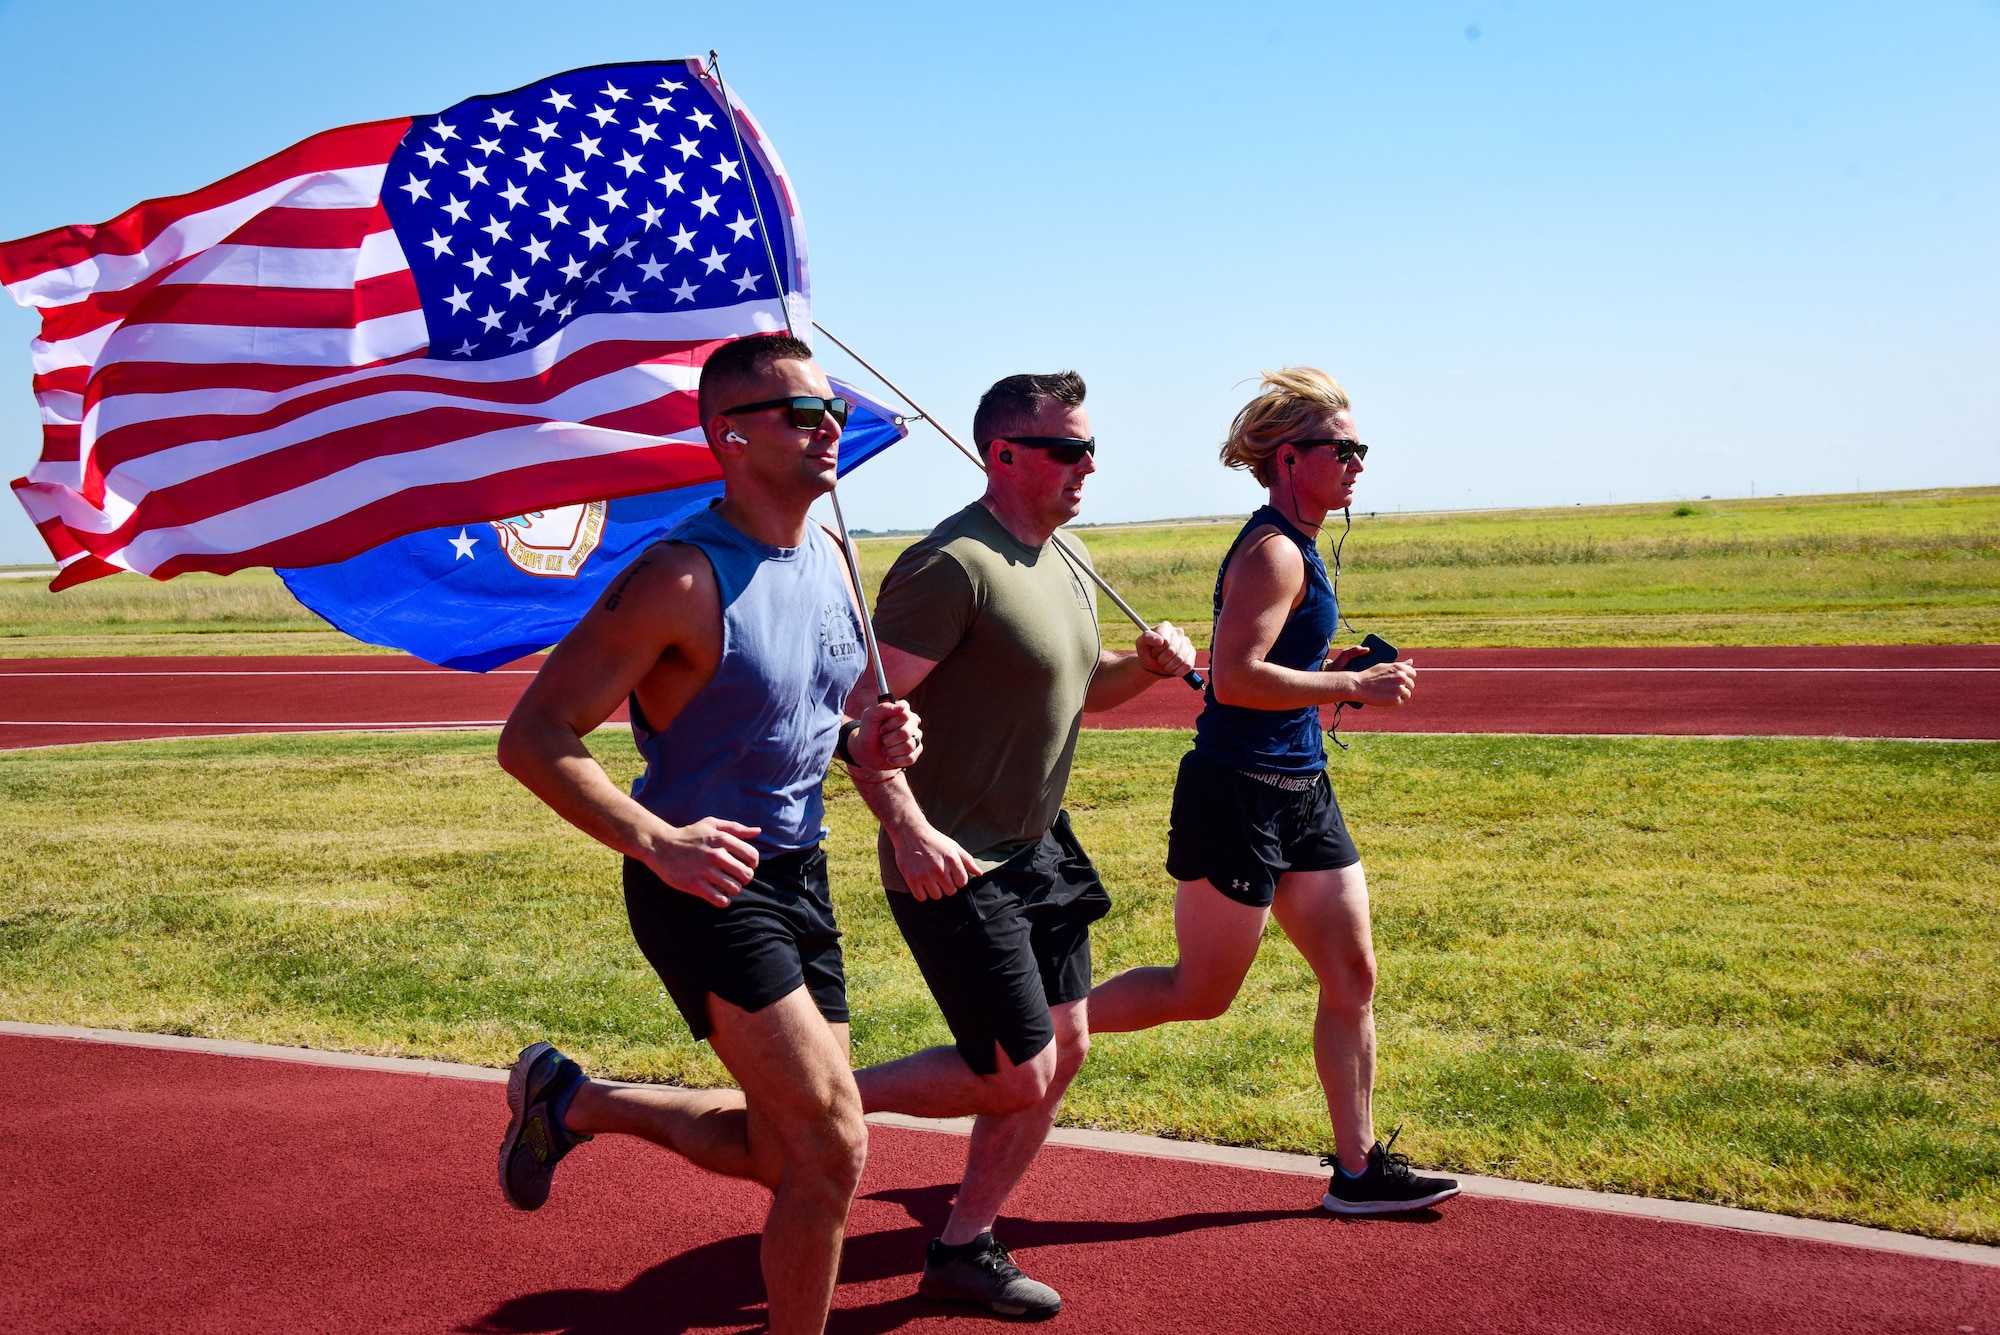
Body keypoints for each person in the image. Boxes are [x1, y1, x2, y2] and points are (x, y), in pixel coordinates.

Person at [493, 333, 922, 1335]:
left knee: (786, 1156)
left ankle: (574, 1103)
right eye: (802, 415)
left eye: (834, 413)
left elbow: (816, 722)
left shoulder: (832, 554)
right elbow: (534, 735)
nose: (830, 430)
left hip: (800, 876)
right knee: (831, 1152)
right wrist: (656, 840)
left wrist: (872, 736)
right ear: (728, 438)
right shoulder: (682, 577)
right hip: (704, 885)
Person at [840, 371, 1196, 1320]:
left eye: (1090, 449)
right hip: (953, 857)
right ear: (1002, 454)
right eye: (1067, 449)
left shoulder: (1068, 557)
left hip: (1038, 844)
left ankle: (963, 1245)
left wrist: (1144, 669)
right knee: (1014, 1070)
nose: (1088, 466)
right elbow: (859, 719)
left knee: (1065, 1047)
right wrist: (908, 830)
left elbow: (1080, 688)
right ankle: (824, 1095)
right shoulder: (949, 566)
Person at [1086, 367, 1461, 1215]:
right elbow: (1237, 678)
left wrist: (1330, 667)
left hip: (1303, 791)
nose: (1360, 461)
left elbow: (1268, 663)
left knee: (1353, 973)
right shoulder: (1272, 550)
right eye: (1345, 448)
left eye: (1362, 447)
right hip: (1239, 795)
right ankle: (1040, 1032)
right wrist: (1350, 691)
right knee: (1201, 993)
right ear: (1291, 458)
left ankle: (1358, 1171)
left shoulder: (1301, 541)